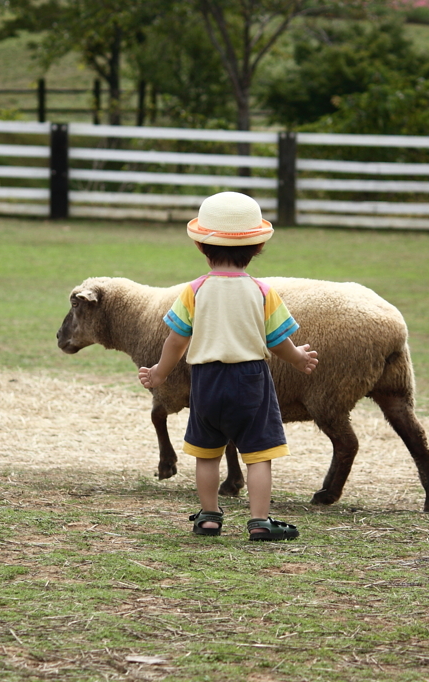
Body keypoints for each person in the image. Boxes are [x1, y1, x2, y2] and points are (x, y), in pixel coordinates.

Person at [139, 191, 319, 541]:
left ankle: (208, 516)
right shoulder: (263, 292)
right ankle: (260, 521)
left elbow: (176, 340)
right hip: (251, 379)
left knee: (207, 454)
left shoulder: (194, 291)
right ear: (256, 249)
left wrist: (159, 373)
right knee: (258, 454)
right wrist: (298, 358)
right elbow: (277, 340)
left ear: (202, 248)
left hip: (206, 380)